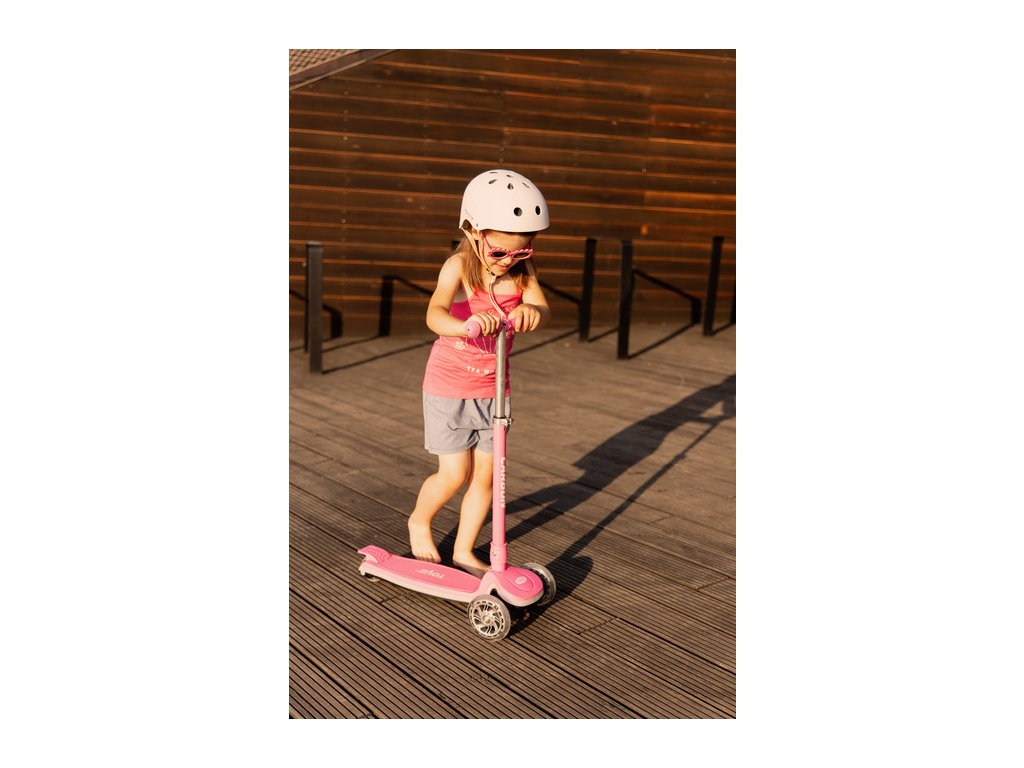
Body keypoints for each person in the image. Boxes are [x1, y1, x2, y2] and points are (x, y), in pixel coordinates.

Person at [408, 169, 552, 576]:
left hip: (494, 392)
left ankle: (464, 550)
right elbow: (435, 314)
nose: (509, 261)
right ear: (473, 231)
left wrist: (531, 311)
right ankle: (419, 521)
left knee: (486, 477)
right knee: (455, 474)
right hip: (449, 387)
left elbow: (543, 308)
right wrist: (465, 325)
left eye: (520, 252)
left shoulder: (522, 272)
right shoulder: (457, 267)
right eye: (500, 252)